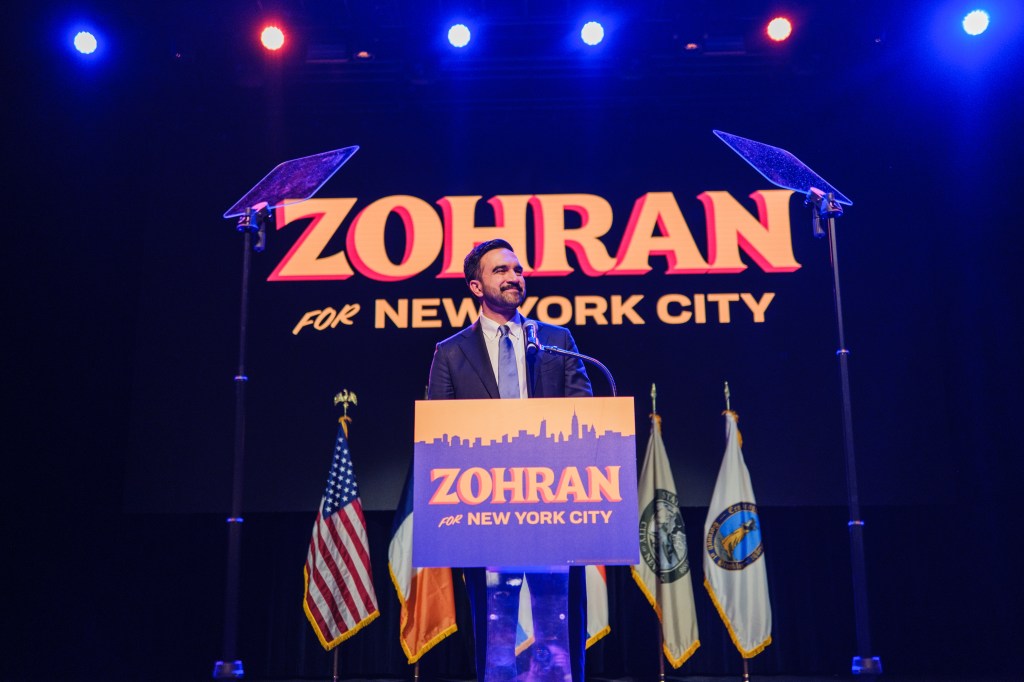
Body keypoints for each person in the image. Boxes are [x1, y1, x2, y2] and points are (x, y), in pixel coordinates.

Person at [427, 239, 592, 682]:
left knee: (560, 627)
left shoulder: (556, 341)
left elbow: (587, 417)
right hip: (485, 511)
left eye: (519, 269)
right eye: (502, 270)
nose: (515, 277)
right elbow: (440, 435)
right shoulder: (451, 352)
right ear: (476, 286)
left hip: (555, 507)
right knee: (493, 635)